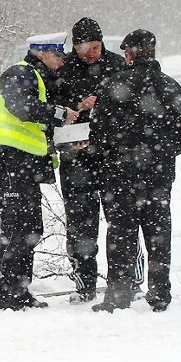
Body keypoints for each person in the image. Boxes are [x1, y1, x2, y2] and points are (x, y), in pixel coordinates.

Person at [89, 29, 181, 312]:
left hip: (120, 173)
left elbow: (97, 133)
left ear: (128, 54)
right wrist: (160, 152)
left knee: (121, 235)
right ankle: (160, 293)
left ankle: (118, 296)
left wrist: (117, 150)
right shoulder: (170, 87)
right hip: (159, 175)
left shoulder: (113, 86)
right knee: (158, 234)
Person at [0, 33, 79, 310]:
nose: (61, 61)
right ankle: (2, 294)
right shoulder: (19, 72)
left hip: (22, 165)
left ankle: (18, 291)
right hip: (10, 162)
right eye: (58, 55)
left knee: (29, 229)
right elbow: (22, 108)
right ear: (43, 53)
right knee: (17, 230)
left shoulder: (37, 78)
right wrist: (59, 113)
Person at [54, 16, 144, 304]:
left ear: (102, 43)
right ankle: (84, 284)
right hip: (75, 158)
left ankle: (129, 281)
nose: (89, 53)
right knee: (81, 225)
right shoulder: (63, 69)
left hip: (113, 158)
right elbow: (53, 109)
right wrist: (76, 111)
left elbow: (135, 112)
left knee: (122, 223)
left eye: (94, 46)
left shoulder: (119, 66)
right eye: (83, 47)